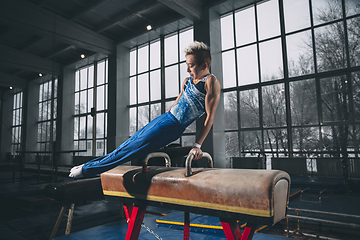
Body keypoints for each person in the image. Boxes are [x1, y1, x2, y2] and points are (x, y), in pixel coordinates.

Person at [69, 41, 221, 178]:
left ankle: (87, 170)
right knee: (129, 144)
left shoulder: (210, 82)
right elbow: (177, 103)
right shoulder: (187, 81)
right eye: (187, 65)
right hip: (166, 118)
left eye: (191, 65)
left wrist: (197, 145)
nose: (187, 70)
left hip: (173, 126)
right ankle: (88, 166)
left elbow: (209, 118)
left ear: (204, 66)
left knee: (133, 149)